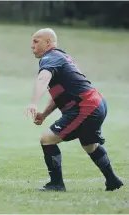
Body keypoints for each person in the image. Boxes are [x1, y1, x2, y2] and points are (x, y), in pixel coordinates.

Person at [25, 28, 124, 192]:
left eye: (36, 41)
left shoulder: (50, 57)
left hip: (85, 107)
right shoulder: (62, 57)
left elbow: (43, 78)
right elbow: (60, 94)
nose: (32, 45)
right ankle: (112, 181)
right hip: (96, 103)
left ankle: (56, 184)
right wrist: (44, 114)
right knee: (90, 145)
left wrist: (34, 103)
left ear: (48, 42)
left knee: (47, 139)